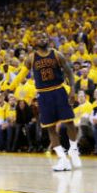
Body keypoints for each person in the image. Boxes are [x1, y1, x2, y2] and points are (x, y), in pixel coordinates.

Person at [10, 32, 82, 171]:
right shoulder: (31, 58)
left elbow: (69, 72)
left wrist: (72, 89)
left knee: (69, 122)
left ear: (48, 40)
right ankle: (62, 159)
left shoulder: (56, 54)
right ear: (34, 42)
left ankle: (73, 149)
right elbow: (20, 75)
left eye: (44, 37)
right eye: (39, 37)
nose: (42, 39)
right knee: (50, 127)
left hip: (59, 90)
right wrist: (9, 88)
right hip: (43, 94)